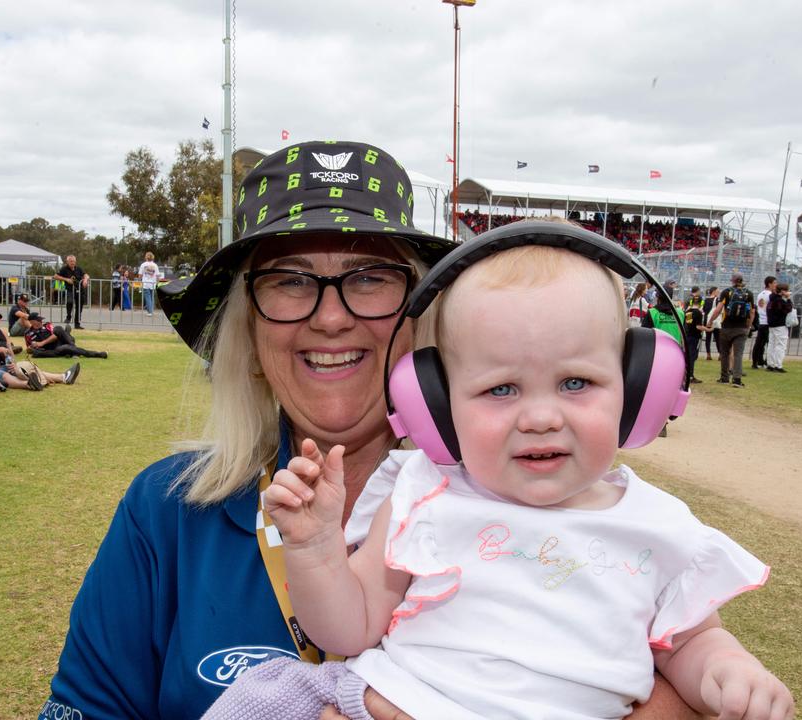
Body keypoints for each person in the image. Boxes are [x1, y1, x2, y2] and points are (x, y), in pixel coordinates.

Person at [40, 141, 701, 720]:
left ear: (421, 323)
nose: (331, 319)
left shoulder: (562, 497)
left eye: (370, 277)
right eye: (291, 281)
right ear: (250, 327)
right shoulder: (166, 513)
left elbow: (691, 680)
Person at [205, 225, 790, 720]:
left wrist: (728, 668)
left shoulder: (660, 527)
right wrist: (314, 550)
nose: (540, 417)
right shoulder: (423, 495)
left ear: (640, 392)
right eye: (500, 389)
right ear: (436, 408)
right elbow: (348, 628)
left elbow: (691, 640)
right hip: (384, 702)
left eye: (576, 383)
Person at [0, 305, 80, 390]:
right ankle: (28, 385)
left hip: (4, 365)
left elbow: (10, 352)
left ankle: (63, 377)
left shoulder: (2, 331)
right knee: (2, 375)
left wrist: (13, 363)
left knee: (26, 368)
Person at [706, 273, 756, 387]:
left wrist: (710, 321)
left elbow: (718, 309)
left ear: (732, 281)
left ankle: (724, 377)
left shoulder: (726, 292)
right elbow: (752, 312)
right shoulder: (749, 293)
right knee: (738, 354)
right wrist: (749, 325)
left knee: (725, 353)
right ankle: (737, 379)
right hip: (742, 327)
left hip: (727, 327)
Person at [24, 312, 108, 359]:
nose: (41, 321)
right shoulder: (28, 333)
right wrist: (32, 347)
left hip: (60, 341)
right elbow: (28, 349)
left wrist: (42, 343)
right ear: (32, 321)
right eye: (39, 320)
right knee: (36, 353)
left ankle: (95, 354)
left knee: (58, 329)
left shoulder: (47, 325)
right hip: (53, 350)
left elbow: (55, 336)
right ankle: (73, 350)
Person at [764, 282, 793, 372]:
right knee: (781, 345)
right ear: (782, 291)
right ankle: (778, 365)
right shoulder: (779, 301)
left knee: (772, 345)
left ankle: (770, 364)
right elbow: (788, 309)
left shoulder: (771, 299)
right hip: (780, 325)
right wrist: (788, 299)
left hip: (771, 325)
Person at [54, 255, 89, 329]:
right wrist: (66, 279)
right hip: (70, 290)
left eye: (74, 261)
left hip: (80, 290)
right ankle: (69, 316)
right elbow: (55, 276)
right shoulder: (64, 269)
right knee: (69, 302)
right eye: (71, 261)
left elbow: (86, 275)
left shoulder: (78, 268)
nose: (72, 263)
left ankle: (77, 324)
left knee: (79, 307)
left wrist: (85, 280)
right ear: (67, 262)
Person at [750, 276, 776, 370]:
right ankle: (766, 362)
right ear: (769, 284)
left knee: (759, 343)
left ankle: (756, 361)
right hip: (767, 321)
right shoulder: (770, 295)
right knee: (768, 343)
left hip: (761, 321)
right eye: (774, 283)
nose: (775, 285)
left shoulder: (761, 294)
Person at [683, 287, 707, 383]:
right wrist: (708, 329)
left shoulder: (688, 312)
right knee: (692, 356)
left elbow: (688, 323)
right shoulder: (698, 313)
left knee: (687, 355)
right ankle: (690, 375)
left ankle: (686, 374)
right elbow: (698, 326)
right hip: (695, 336)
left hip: (688, 335)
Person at [139, 251, 161, 316]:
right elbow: (157, 275)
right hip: (153, 283)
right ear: (153, 257)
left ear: (146, 257)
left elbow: (140, 275)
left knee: (148, 297)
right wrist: (157, 283)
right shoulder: (155, 265)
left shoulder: (143, 265)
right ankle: (151, 310)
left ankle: (150, 312)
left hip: (145, 283)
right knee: (152, 297)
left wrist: (139, 281)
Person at [702, 285, 719, 360]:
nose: (718, 292)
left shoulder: (706, 300)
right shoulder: (717, 299)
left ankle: (708, 354)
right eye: (717, 291)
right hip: (715, 320)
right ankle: (720, 354)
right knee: (718, 337)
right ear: (714, 291)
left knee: (708, 338)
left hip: (707, 319)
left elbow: (704, 310)